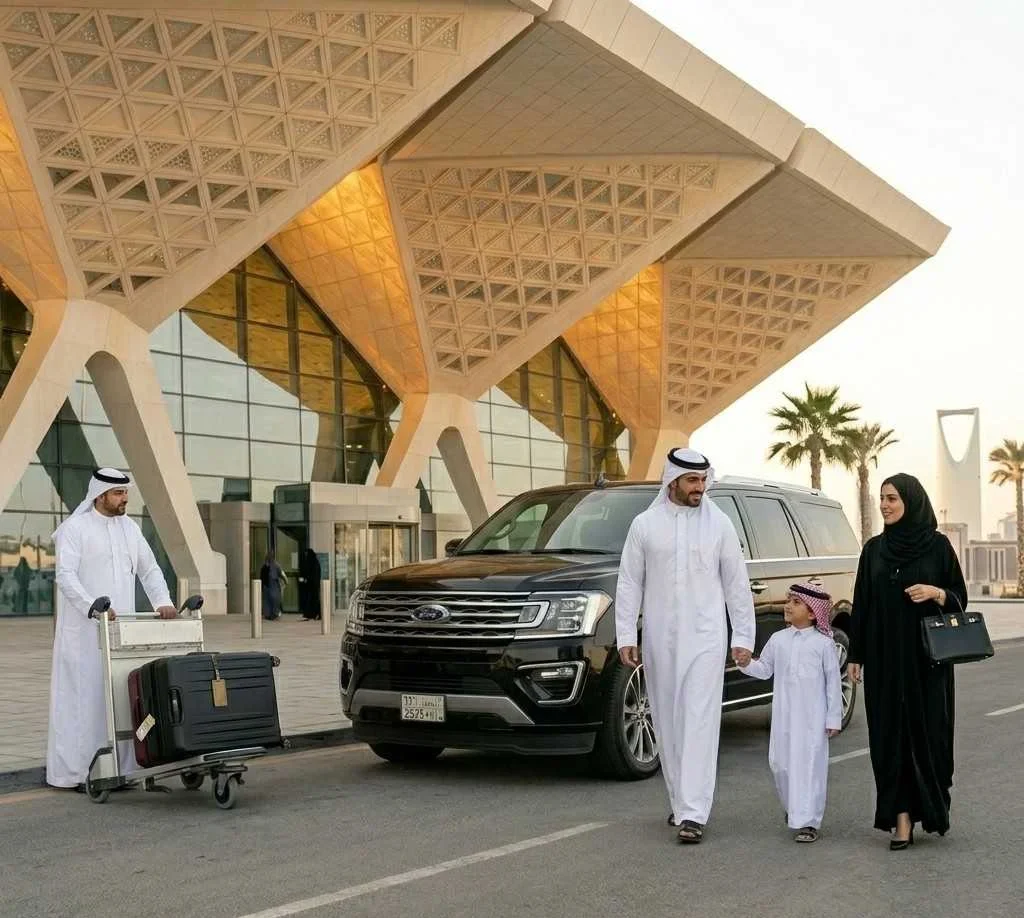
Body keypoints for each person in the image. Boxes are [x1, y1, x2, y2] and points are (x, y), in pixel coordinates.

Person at [616, 448, 756, 844]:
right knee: (667, 719)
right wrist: (626, 634)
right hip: (660, 637)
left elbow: (736, 584)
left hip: (707, 637)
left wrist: (743, 637)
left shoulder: (720, 525)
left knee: (699, 719)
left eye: (703, 480)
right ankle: (680, 802)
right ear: (672, 481)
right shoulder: (645, 525)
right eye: (693, 481)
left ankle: (695, 812)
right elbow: (629, 583)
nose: (700, 488)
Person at [848, 474, 967, 849]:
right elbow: (862, 606)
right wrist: (856, 654)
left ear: (911, 502)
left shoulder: (937, 547)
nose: (885, 505)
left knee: (930, 737)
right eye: (882, 498)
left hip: (927, 662)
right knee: (889, 738)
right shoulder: (874, 550)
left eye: (893, 499)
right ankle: (900, 820)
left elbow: (960, 597)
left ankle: (930, 810)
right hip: (885, 662)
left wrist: (936, 592)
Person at [47, 468, 177, 790]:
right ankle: (81, 775)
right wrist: (92, 605)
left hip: (122, 633)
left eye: (125, 493)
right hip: (84, 635)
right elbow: (65, 575)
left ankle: (124, 770)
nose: (125, 499)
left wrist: (162, 601)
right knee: (86, 704)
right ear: (100, 495)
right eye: (118, 494)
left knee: (123, 698)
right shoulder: (75, 529)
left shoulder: (129, 528)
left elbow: (149, 569)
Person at [739, 582, 843, 843]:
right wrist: (746, 663)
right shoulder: (778, 640)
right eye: (788, 600)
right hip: (784, 716)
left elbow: (833, 684)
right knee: (780, 765)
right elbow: (764, 669)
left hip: (813, 719)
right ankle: (794, 809)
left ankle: (809, 821)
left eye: (796, 602)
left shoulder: (823, 645)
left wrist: (833, 718)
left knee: (810, 767)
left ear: (812, 613)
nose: (788, 605)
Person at [260, 550, 286, 620]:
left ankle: (271, 614)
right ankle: (271, 614)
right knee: (272, 600)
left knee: (271, 600)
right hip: (270, 585)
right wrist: (285, 580)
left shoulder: (273, 565)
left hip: (270, 585)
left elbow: (281, 574)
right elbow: (281, 574)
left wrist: (285, 580)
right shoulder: (271, 565)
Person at [298, 548, 322, 620]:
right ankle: (311, 614)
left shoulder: (314, 563)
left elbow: (313, 574)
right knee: (312, 600)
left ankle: (315, 614)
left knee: (314, 600)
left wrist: (307, 579)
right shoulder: (313, 562)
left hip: (313, 585)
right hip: (311, 585)